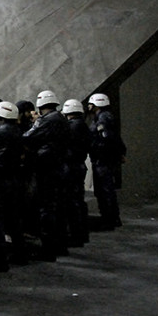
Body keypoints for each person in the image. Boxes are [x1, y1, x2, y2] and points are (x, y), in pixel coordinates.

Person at [23, 90, 69, 261]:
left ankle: (48, 249)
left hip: (47, 168)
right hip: (59, 165)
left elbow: (28, 137)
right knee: (59, 207)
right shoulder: (62, 119)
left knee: (46, 208)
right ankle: (61, 246)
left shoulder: (46, 120)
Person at [0, 101, 26, 268]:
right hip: (15, 178)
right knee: (14, 219)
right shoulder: (18, 131)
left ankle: (1, 258)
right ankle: (20, 253)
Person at [87, 93, 126, 230]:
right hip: (104, 159)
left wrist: (93, 147)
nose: (89, 106)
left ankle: (110, 218)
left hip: (102, 160)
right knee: (105, 190)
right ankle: (111, 217)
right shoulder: (104, 117)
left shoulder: (103, 119)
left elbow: (105, 139)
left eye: (91, 104)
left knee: (105, 190)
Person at [61, 99, 91, 248]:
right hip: (79, 165)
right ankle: (82, 234)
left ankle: (75, 235)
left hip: (71, 166)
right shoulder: (82, 125)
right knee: (78, 200)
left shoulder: (72, 127)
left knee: (71, 202)